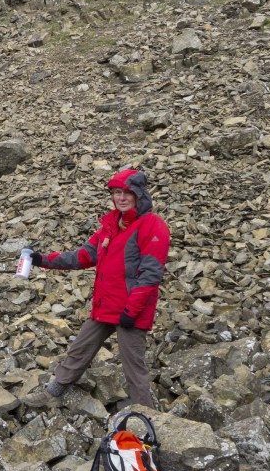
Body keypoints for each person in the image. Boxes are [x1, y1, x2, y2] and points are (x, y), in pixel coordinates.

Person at [26, 168, 170, 409]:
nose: (121, 198)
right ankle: (54, 392)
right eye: (116, 193)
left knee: (133, 368)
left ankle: (147, 418)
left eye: (127, 193)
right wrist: (43, 260)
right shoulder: (111, 224)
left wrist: (131, 311)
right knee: (80, 349)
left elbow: (150, 275)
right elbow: (83, 256)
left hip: (130, 312)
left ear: (139, 195)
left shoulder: (152, 225)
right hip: (106, 305)